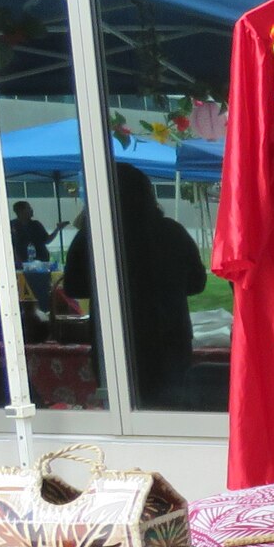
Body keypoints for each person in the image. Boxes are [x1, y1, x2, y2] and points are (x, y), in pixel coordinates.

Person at [62, 162, 205, 406]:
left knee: (121, 408)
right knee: (171, 410)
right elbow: (197, 283)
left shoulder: (94, 235)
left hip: (115, 338)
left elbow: (74, 286)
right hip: (168, 337)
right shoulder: (172, 231)